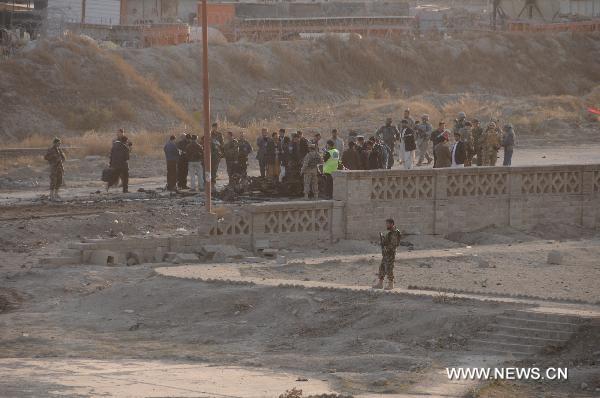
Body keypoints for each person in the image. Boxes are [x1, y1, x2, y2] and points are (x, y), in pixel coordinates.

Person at [372, 218, 402, 290]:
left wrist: (386, 248)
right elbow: (386, 242)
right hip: (386, 254)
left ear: (392, 224)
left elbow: (393, 244)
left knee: (389, 268)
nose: (386, 225)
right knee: (382, 267)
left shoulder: (395, 232)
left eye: (388, 224)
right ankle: (380, 284)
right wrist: (383, 241)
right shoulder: (390, 233)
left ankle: (391, 284)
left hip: (390, 254)